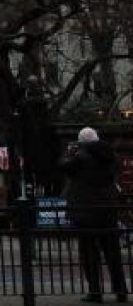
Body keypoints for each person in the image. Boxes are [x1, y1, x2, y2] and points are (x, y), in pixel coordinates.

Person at [60, 127, 128, 303]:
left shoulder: (79, 158)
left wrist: (71, 151)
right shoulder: (111, 156)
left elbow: (63, 165)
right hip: (108, 209)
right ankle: (121, 290)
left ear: (81, 141)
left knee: (89, 253)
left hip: (86, 210)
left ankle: (95, 292)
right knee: (112, 252)